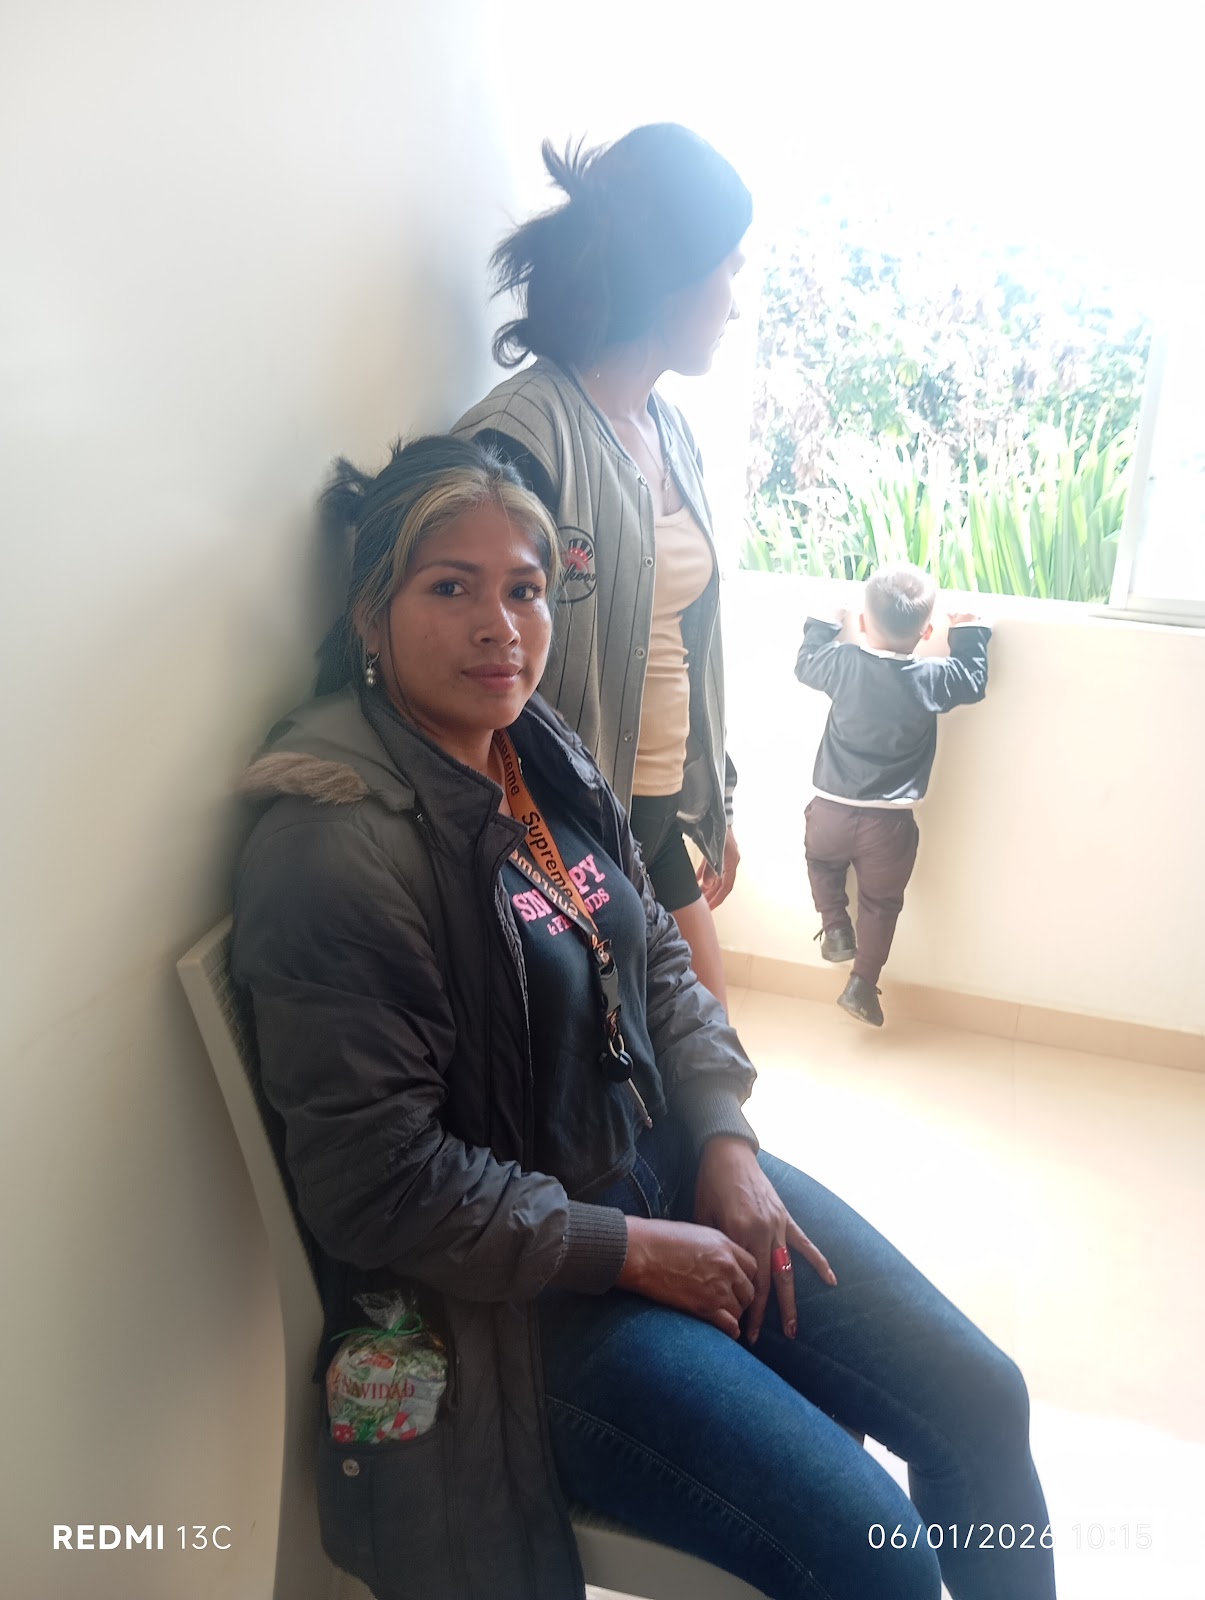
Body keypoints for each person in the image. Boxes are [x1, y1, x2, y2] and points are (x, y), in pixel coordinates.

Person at [232, 437, 1053, 1600]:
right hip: (523, 1311)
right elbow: (378, 1183)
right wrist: (631, 1251)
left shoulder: (534, 750)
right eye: (450, 587)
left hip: (659, 1165)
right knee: (874, 1556)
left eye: (523, 589)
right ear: (371, 615)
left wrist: (722, 1137)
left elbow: (655, 951)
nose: (499, 627)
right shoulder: (332, 850)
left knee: (979, 1399)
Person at [453, 122, 751, 1008]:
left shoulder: (670, 431)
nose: (735, 304)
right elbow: (460, 670)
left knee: (712, 1056)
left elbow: (682, 641)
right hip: (563, 837)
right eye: (730, 269)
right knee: (646, 1071)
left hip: (650, 815)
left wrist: (712, 795)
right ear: (674, 276)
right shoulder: (519, 439)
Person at [795, 564, 992, 1027]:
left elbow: (806, 663)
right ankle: (862, 985)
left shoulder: (844, 663)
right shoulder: (932, 676)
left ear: (863, 623)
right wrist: (967, 630)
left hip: (830, 810)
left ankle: (836, 927)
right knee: (880, 903)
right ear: (927, 632)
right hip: (889, 825)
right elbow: (973, 679)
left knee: (821, 862)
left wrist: (825, 619)